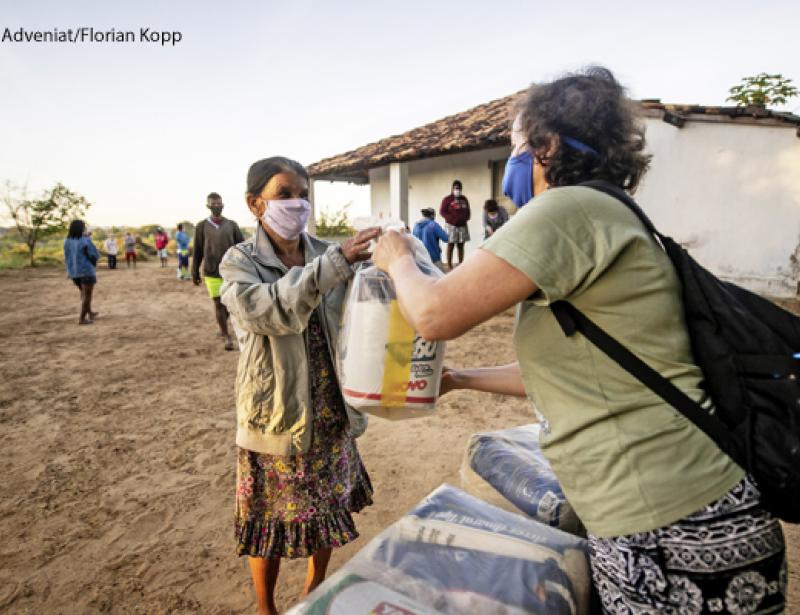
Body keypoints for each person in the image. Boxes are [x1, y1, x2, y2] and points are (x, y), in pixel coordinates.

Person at [373, 67, 786, 614]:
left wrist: (398, 258)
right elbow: (576, 372)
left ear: (546, 145)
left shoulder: (566, 209)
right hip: (688, 513)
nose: (510, 164)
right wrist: (458, 379)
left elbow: (433, 313)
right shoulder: (607, 215)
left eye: (515, 147)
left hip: (668, 526)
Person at [218, 156, 379, 615]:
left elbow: (361, 308)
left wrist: (388, 266)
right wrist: (336, 264)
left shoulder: (327, 253)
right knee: (267, 521)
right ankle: (265, 607)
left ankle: (313, 592)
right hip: (277, 412)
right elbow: (263, 312)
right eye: (284, 194)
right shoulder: (240, 261)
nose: (298, 203)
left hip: (330, 407)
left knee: (325, 512)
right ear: (255, 204)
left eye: (304, 193)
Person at [192, 192, 244, 351]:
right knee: (218, 303)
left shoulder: (232, 225)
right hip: (211, 271)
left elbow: (241, 247)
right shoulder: (201, 226)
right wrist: (194, 271)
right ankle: (226, 336)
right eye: (213, 204)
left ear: (223, 205)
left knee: (229, 304)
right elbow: (198, 249)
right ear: (208, 206)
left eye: (219, 204)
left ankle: (223, 328)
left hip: (230, 271)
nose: (216, 206)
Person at [63, 220, 99, 325]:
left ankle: (90, 313)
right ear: (81, 228)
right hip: (86, 270)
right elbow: (94, 254)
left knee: (83, 293)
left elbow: (67, 257)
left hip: (73, 272)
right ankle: (82, 319)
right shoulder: (85, 240)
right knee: (87, 295)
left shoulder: (67, 241)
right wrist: (94, 262)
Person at [439, 179, 471, 269]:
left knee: (461, 246)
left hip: (462, 226)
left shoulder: (464, 199)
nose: (458, 190)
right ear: (452, 189)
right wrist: (451, 219)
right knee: (450, 245)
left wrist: (466, 218)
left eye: (459, 188)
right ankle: (449, 265)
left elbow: (468, 211)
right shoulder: (447, 199)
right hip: (451, 226)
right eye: (456, 188)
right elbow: (442, 211)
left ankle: (461, 264)